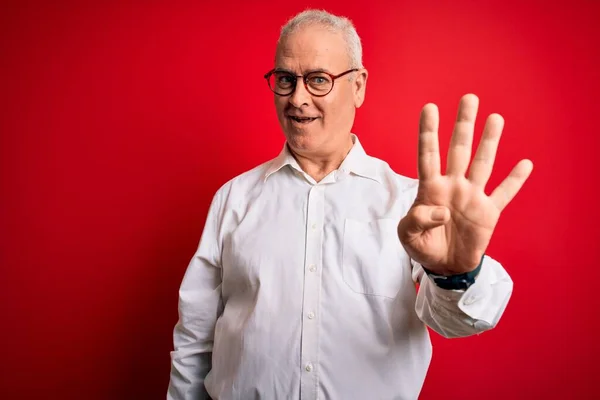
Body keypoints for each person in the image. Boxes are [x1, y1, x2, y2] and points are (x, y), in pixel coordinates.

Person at [167, 9, 533, 400]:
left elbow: (458, 321)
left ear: (358, 86)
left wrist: (454, 273)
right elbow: (195, 340)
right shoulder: (233, 200)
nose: (297, 98)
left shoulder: (412, 205)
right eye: (286, 80)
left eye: (318, 80)